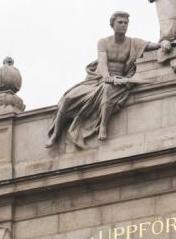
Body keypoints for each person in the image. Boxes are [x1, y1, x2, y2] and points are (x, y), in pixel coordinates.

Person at [45, 11, 156, 148]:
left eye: (125, 23)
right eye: (120, 22)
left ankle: (103, 126)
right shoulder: (103, 42)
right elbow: (102, 63)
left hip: (119, 80)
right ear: (112, 24)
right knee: (68, 98)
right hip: (98, 79)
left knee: (108, 89)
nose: (123, 25)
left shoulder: (133, 43)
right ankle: (56, 134)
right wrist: (107, 77)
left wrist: (165, 45)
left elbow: (151, 45)